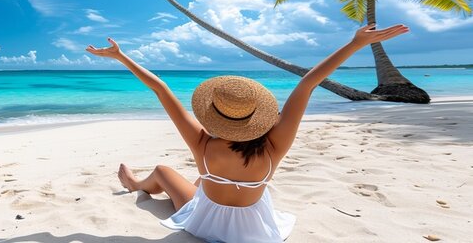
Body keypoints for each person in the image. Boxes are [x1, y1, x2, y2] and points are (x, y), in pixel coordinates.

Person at [85, 23, 409, 242]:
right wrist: (355, 44)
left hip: (206, 223)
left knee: (162, 171)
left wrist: (121, 56)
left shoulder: (202, 143)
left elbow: (160, 89)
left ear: (213, 115)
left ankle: (135, 185)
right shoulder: (274, 147)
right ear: (257, 116)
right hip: (254, 230)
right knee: (203, 179)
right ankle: (143, 184)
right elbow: (308, 83)